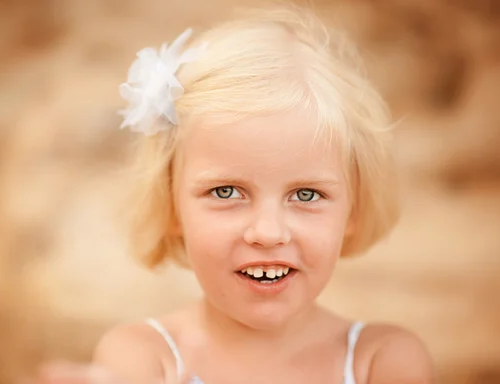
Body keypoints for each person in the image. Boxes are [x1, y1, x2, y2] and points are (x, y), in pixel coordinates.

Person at [39, 4, 435, 384]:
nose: (267, 232)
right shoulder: (144, 359)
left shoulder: (381, 361)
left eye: (307, 195)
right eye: (226, 191)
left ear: (353, 207)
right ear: (171, 202)